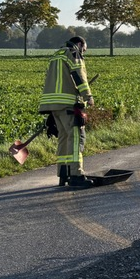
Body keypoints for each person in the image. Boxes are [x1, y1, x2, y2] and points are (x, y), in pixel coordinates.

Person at [39, 36, 95, 187]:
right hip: (68, 104)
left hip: (53, 104)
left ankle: (64, 174)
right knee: (76, 137)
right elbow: (79, 75)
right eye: (84, 49)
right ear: (79, 44)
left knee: (63, 137)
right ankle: (76, 174)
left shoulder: (56, 55)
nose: (83, 52)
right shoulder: (73, 53)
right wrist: (87, 96)